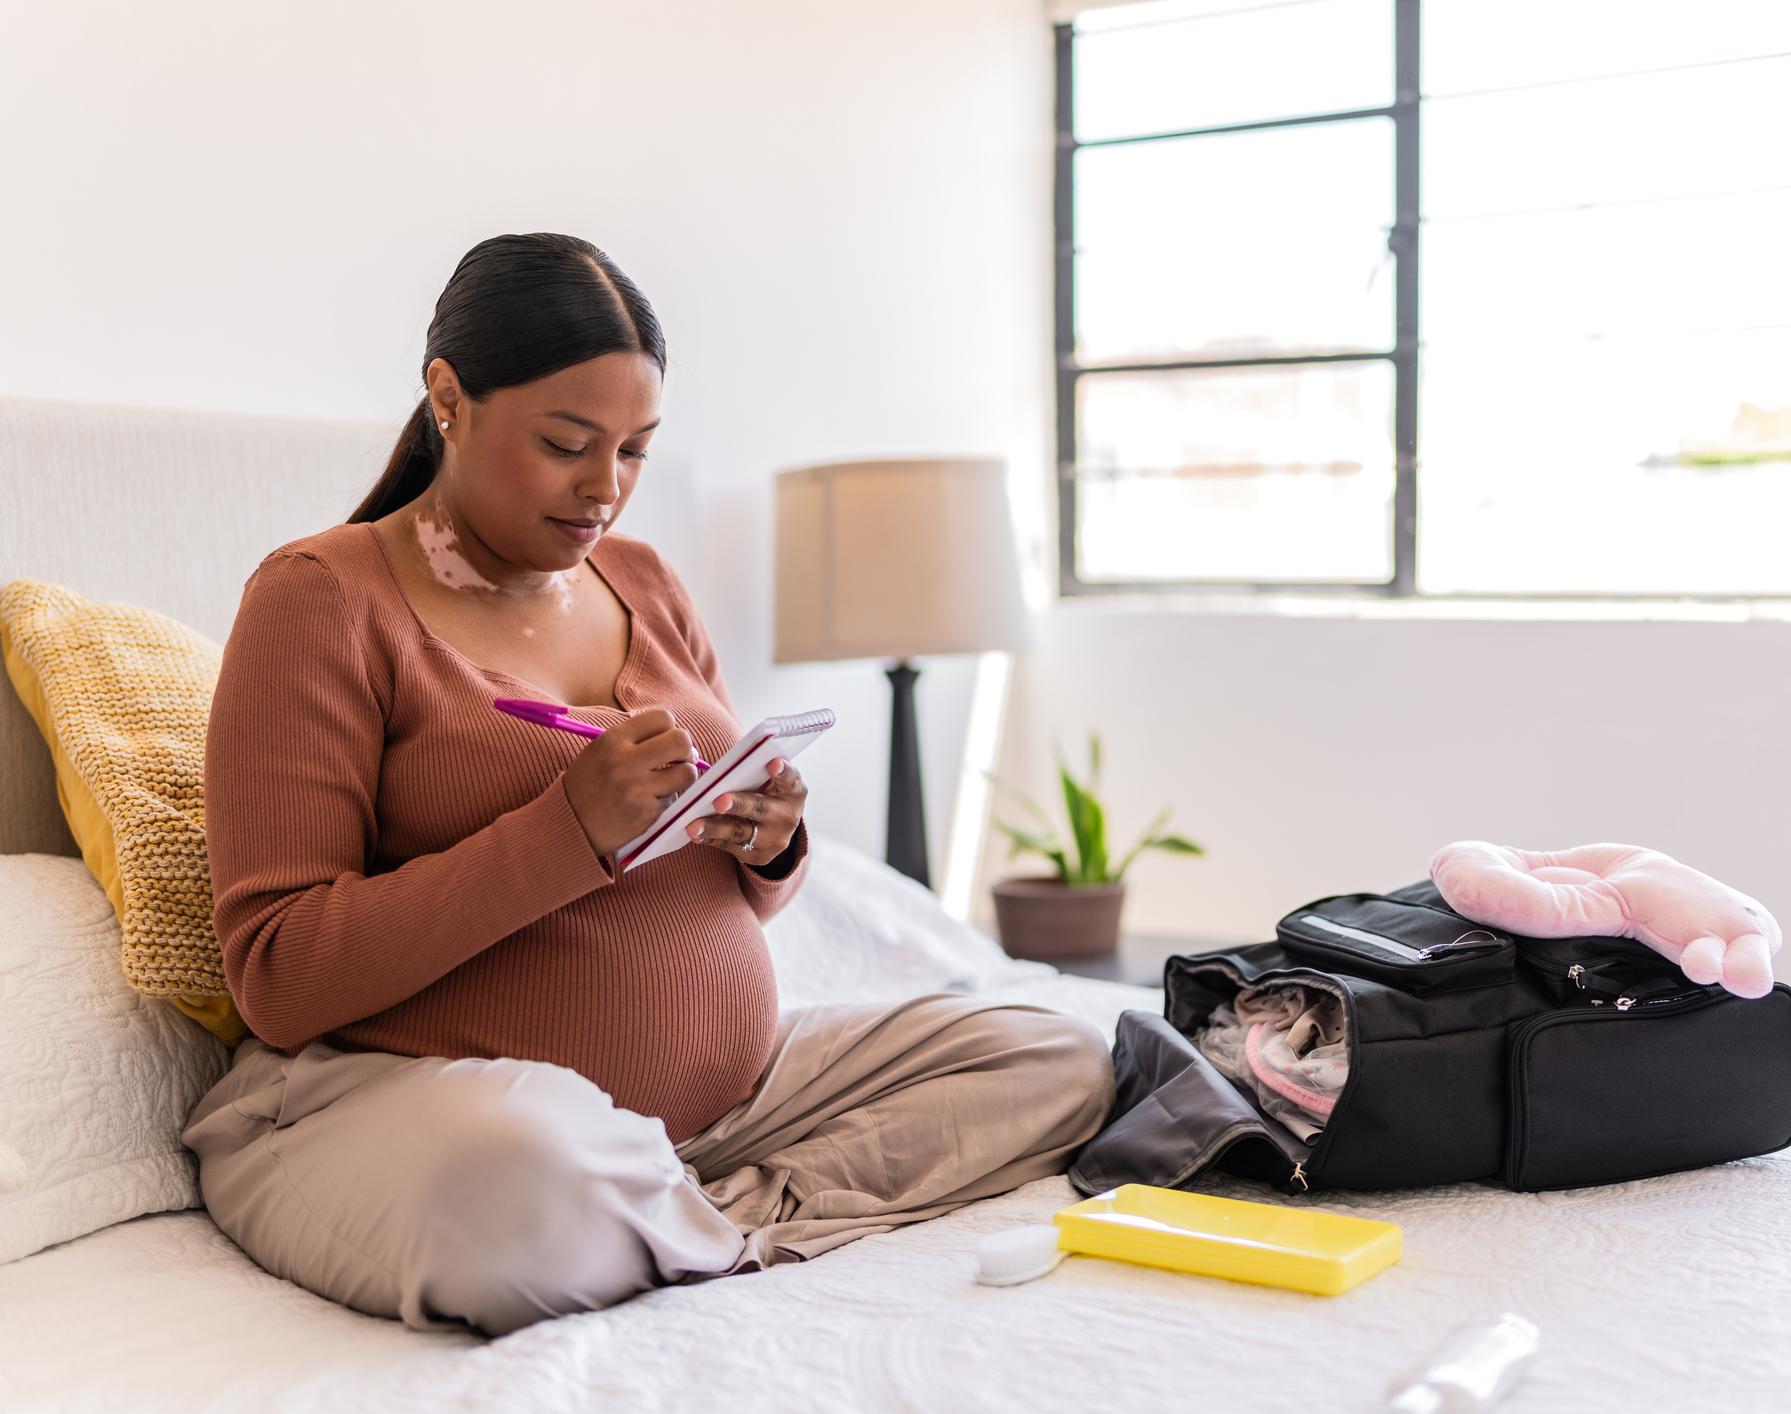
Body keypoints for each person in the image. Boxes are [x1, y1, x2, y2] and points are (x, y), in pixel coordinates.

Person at [182, 232, 1115, 1338]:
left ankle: (696, 1218)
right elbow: (279, 975)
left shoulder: (642, 580)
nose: (605, 490)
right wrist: (566, 830)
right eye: (568, 444)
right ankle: (638, 1209)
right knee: (515, 1183)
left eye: (633, 449)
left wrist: (764, 843)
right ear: (448, 397)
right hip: (431, 1103)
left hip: (732, 1110)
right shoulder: (320, 600)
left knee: (1057, 1051)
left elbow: (732, 896)